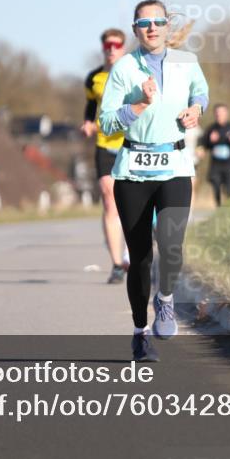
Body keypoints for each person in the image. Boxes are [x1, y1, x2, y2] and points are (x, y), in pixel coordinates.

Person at [99, 0, 209, 362]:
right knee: (142, 257)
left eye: (158, 22)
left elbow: (200, 92)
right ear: (135, 30)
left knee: (173, 246)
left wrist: (196, 109)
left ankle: (165, 300)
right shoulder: (123, 69)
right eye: (144, 23)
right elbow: (107, 122)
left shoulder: (187, 62)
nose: (152, 28)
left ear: (166, 26)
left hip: (175, 164)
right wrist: (140, 105)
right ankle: (139, 333)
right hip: (133, 169)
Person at [82, 28, 130, 284]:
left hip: (132, 143)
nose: (112, 49)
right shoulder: (94, 78)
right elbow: (91, 106)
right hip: (105, 144)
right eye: (107, 45)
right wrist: (88, 122)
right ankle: (116, 265)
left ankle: (131, 252)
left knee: (133, 202)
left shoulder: (134, 72)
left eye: (117, 45)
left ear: (123, 47)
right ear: (103, 48)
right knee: (109, 199)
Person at [200, 104, 230, 206]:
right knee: (215, 184)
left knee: (229, 188)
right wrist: (210, 141)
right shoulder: (211, 128)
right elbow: (203, 144)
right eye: (217, 113)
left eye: (222, 113)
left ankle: (228, 204)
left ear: (226, 114)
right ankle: (218, 206)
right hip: (216, 165)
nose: (219, 115)